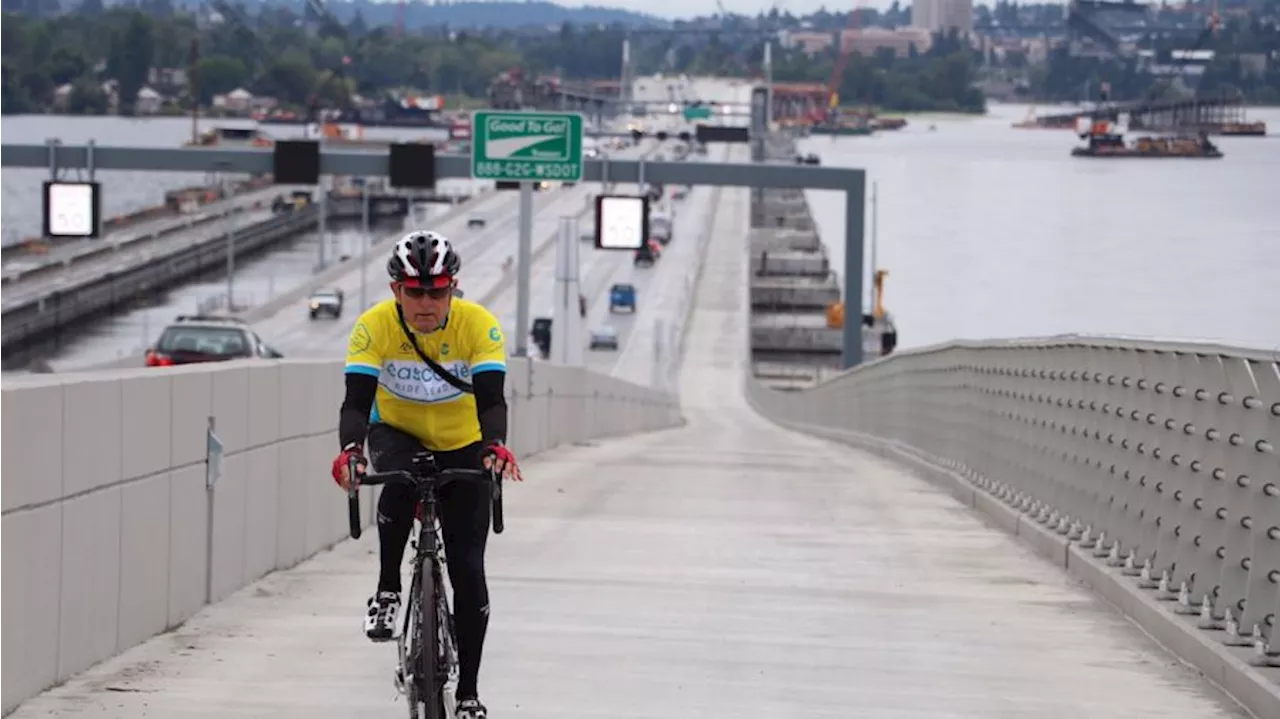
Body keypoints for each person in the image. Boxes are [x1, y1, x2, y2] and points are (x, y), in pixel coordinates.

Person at [330, 230, 523, 719]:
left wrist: (495, 447)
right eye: (414, 291)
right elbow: (355, 402)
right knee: (400, 476)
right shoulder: (373, 327)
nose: (426, 302)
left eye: (437, 290)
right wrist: (350, 452)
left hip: (463, 440)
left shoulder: (479, 326)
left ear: (452, 287)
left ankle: (469, 694)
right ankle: (388, 589)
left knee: (468, 568)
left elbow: (492, 400)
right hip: (396, 431)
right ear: (396, 290)